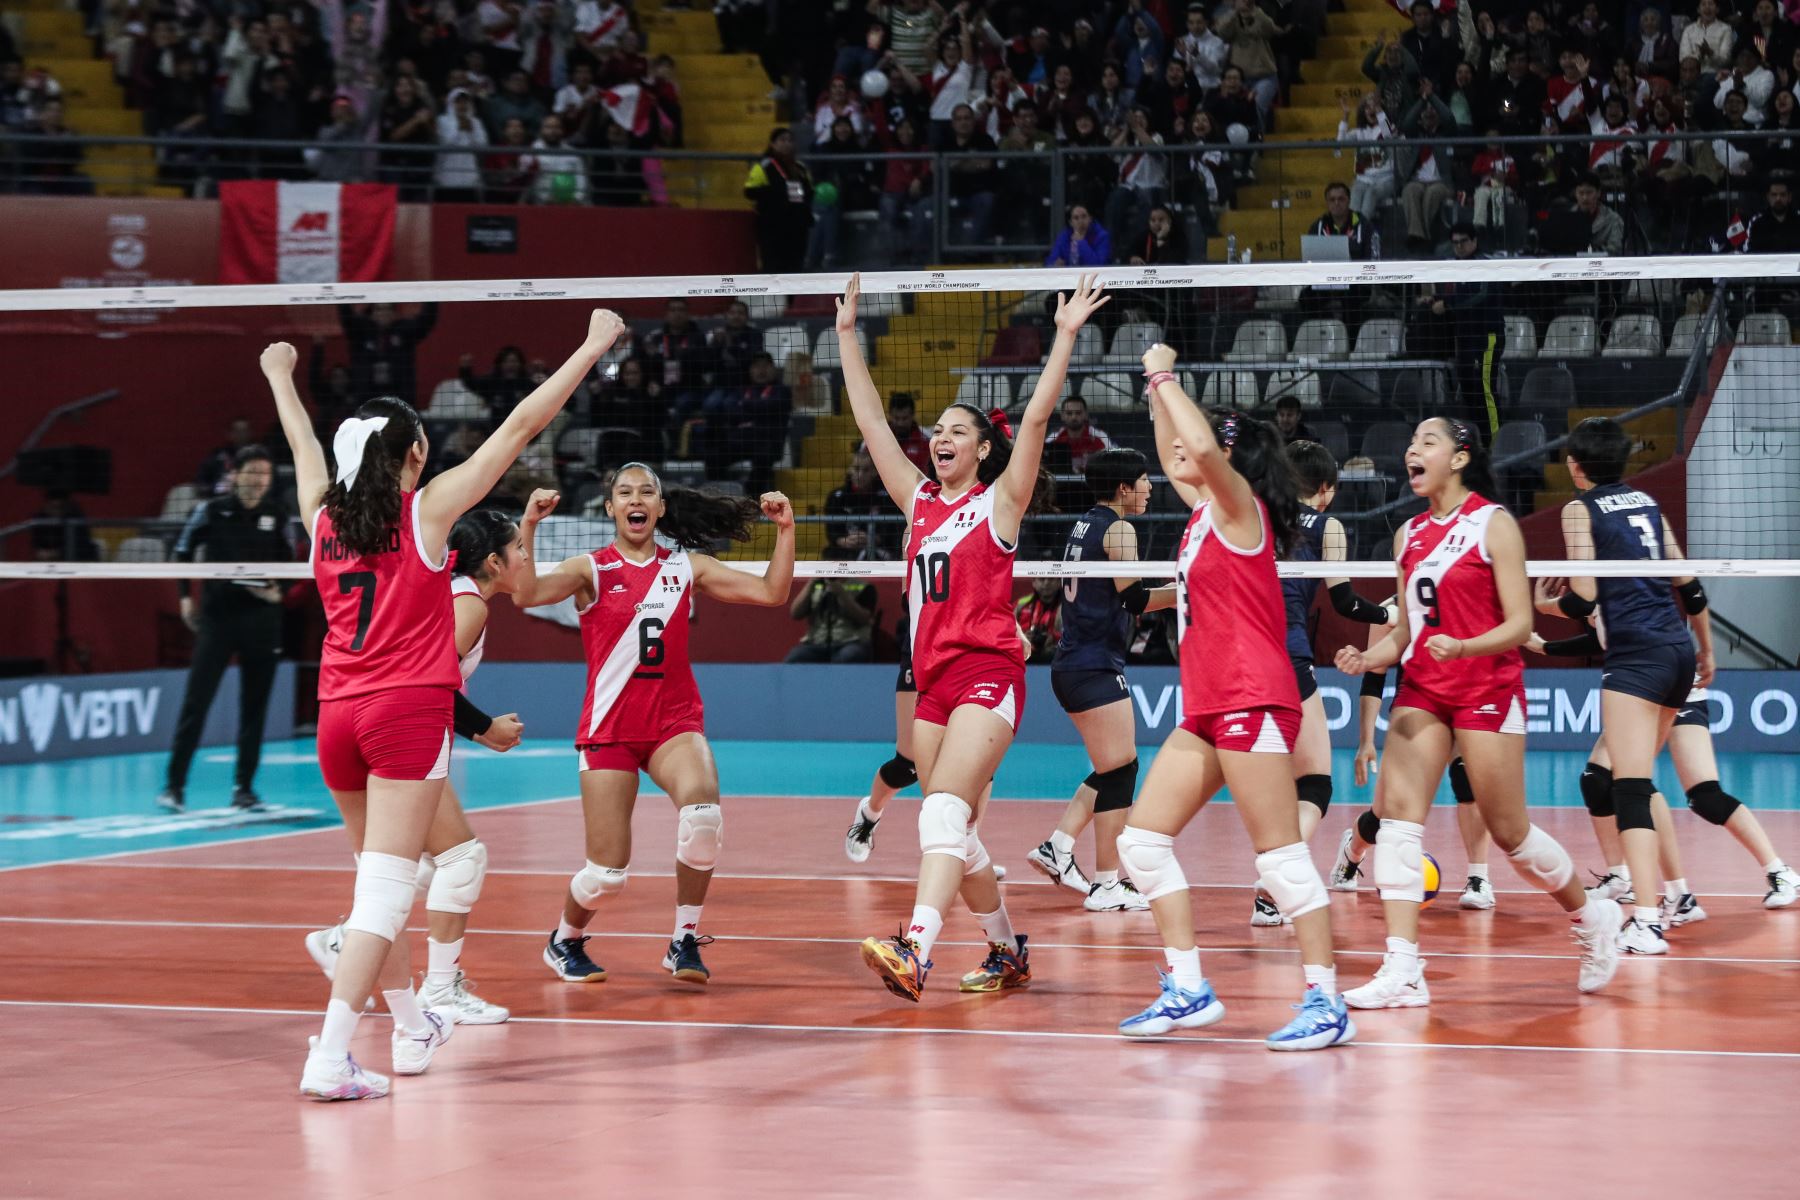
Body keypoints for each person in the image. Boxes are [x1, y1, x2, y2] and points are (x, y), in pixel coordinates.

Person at [267, 305, 625, 1102]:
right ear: (417, 454)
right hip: (403, 714)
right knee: (386, 895)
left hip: (334, 715)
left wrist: (281, 378)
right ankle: (329, 1056)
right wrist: (593, 344)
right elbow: (520, 426)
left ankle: (409, 1026)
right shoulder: (425, 514)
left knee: (376, 888)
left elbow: (300, 447)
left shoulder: (323, 517)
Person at [840, 271, 1109, 1003]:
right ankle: (1005, 951)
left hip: (989, 675)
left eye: (958, 430)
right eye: (938, 431)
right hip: (931, 683)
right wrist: (844, 338)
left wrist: (1063, 338)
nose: (941, 438)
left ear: (983, 451)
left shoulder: (1000, 504)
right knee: (956, 834)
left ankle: (915, 950)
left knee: (942, 812)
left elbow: (1034, 421)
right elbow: (869, 423)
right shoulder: (917, 501)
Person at [1332, 417, 1624, 1009]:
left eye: (1427, 442)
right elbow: (1408, 633)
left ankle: (1593, 917)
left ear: (1459, 457)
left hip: (1486, 686)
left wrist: (1464, 646)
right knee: (1398, 820)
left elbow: (1521, 623)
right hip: (1423, 689)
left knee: (1510, 833)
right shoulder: (1408, 535)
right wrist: (1367, 658)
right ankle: (1403, 968)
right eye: (1410, 442)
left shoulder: (1494, 525)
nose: (1412, 449)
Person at [1116, 355, 1354, 1051]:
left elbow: (1201, 455)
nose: (1184, 456)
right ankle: (1187, 987)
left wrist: (1165, 378)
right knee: (1142, 843)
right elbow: (1173, 448)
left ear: (1233, 462)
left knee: (1279, 859)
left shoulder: (1239, 510)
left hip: (1252, 695)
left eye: (1206, 449)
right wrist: (1157, 399)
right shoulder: (1200, 516)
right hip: (1210, 703)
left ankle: (1326, 1001)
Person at [517, 466, 795, 987]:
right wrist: (529, 524)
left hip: (673, 722)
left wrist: (785, 529)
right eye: (625, 493)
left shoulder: (688, 566)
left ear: (661, 508)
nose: (636, 499)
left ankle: (683, 939)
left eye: (647, 492)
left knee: (704, 817)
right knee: (605, 877)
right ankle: (565, 939)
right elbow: (527, 593)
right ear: (610, 508)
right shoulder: (590, 569)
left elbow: (772, 593)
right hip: (611, 729)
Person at [303, 504, 536, 1027]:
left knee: (411, 869)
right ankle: (439, 992)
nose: (526, 557)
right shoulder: (467, 604)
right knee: (461, 860)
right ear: (494, 563)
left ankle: (343, 943)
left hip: (354, 717)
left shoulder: (440, 588)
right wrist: (485, 729)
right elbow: (425, 678)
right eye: (518, 547)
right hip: (395, 731)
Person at [1531, 417, 1715, 955]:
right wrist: (1706, 649)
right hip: (1677, 651)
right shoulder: (1647, 504)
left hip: (1636, 656)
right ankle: (1672, 897)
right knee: (1629, 781)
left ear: (1574, 466)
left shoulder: (1577, 509)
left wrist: (1540, 607)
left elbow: (1582, 600)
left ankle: (1647, 920)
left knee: (1628, 786)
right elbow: (1692, 588)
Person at [1250, 439, 1394, 928]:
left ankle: (1273, 879)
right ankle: (1273, 884)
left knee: (1266, 779)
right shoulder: (1326, 525)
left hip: (1239, 656)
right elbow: (1347, 604)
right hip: (1286, 657)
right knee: (1315, 782)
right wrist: (1392, 613)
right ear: (1327, 490)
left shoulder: (1252, 516)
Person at [1027, 448, 1175, 912]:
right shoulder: (1120, 529)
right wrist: (1185, 592)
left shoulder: (1084, 523)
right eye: (1145, 480)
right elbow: (1133, 600)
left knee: (1116, 767)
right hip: (1092, 664)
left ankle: (1059, 847)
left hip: (1075, 662)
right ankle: (1108, 884)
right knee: (1123, 769)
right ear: (1124, 488)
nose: (1151, 488)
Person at [158, 446, 295, 814]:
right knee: (195, 704)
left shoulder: (276, 515)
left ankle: (244, 789)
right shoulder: (212, 510)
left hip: (262, 624)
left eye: (264, 474)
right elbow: (183, 552)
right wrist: (186, 598)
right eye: (251, 472)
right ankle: (174, 786)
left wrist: (276, 592)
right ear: (235, 474)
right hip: (218, 621)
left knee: (255, 709)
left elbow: (292, 565)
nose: (258, 480)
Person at [1416, 222, 1505, 435]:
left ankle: (1494, 443)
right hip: (1463, 338)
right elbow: (1452, 295)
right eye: (1454, 242)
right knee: (1468, 392)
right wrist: (1434, 299)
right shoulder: (1452, 266)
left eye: (1463, 241)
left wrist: (1447, 305)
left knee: (1485, 391)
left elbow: (1480, 295)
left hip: (1486, 336)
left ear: (1474, 241)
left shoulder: (1484, 265)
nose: (1459, 246)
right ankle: (1477, 442)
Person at [338, 303, 440, 409]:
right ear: (372, 314)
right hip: (367, 399)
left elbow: (426, 321)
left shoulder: (405, 331)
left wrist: (431, 297)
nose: (383, 313)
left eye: (388, 310)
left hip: (400, 399)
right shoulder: (360, 331)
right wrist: (342, 294)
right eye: (379, 310)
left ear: (394, 314)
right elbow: (347, 317)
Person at [743, 126, 814, 272]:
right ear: (773, 144)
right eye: (782, 140)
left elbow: (809, 192)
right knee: (773, 268)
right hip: (773, 226)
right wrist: (777, 192)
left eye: (790, 140)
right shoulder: (764, 166)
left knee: (795, 269)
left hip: (797, 226)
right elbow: (750, 191)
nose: (787, 143)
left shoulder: (801, 168)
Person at [785, 576, 879, 662]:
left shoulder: (863, 587)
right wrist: (810, 584)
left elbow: (863, 618)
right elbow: (795, 613)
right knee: (796, 656)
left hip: (851, 642)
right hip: (816, 643)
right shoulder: (816, 585)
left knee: (849, 656)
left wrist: (841, 593)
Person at [1043, 395, 1114, 473]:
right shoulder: (1052, 439)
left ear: (1086, 415)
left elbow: (1111, 465)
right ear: (1062, 416)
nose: (1074, 417)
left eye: (1078, 413)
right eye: (1069, 413)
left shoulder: (1100, 437)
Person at [1306, 181, 1376, 259]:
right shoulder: (1318, 227)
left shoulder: (1365, 227)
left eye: (1341, 199)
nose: (1336, 203)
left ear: (1349, 200)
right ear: (1327, 203)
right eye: (1332, 200)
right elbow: (1310, 262)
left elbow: (1373, 262)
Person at [1044, 203, 1112, 266]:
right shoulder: (1064, 236)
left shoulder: (1102, 236)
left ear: (1090, 219)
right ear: (1071, 222)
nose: (1080, 221)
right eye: (1076, 218)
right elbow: (1050, 261)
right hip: (1070, 276)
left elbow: (1098, 265)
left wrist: (1081, 242)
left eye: (1084, 216)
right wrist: (1055, 263)